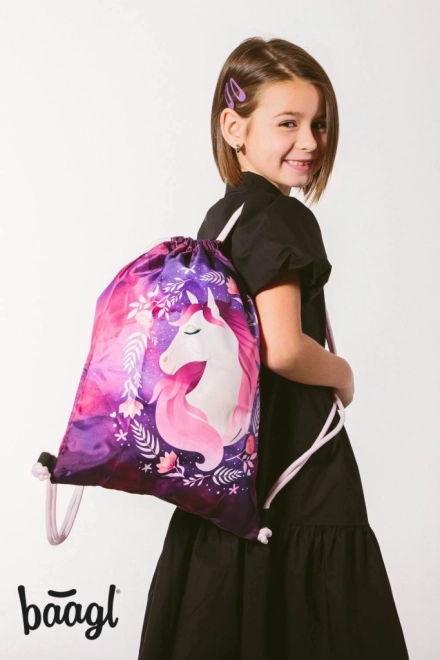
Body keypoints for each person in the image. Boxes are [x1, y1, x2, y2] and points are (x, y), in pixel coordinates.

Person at [137, 36, 409, 660]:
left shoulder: (220, 220)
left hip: (235, 474)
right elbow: (283, 350)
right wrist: (343, 374)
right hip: (298, 469)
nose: (309, 141)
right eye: (288, 123)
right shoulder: (285, 219)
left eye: (319, 123)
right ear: (234, 128)